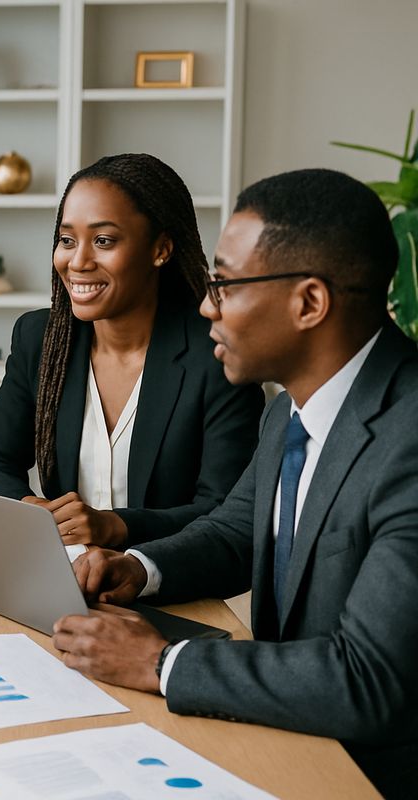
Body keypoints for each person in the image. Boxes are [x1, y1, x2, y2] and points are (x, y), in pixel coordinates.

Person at [52, 168, 418, 798]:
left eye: (223, 284)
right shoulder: (291, 409)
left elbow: (367, 681)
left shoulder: (408, 439)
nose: (206, 306)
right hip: (289, 736)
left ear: (309, 303)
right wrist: (137, 568)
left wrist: (160, 662)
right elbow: (235, 530)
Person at [0, 154, 263, 548]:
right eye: (67, 240)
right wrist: (31, 510)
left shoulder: (218, 355)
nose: (77, 261)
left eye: (103, 241)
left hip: (171, 574)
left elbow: (225, 510)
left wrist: (116, 526)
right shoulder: (40, 339)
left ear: (161, 249)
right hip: (63, 567)